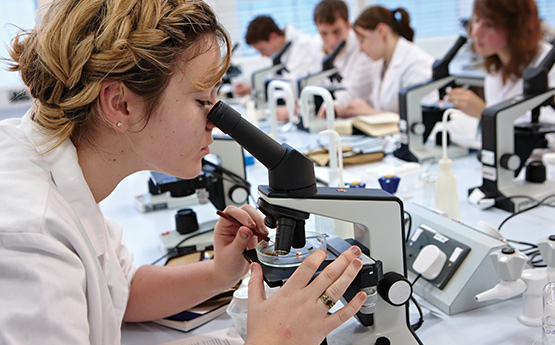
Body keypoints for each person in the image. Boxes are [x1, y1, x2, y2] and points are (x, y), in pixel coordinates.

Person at [0, 1, 366, 344]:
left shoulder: (63, 171)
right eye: (202, 101)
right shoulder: (30, 235)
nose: (215, 123)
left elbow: (119, 290)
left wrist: (219, 274)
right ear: (120, 104)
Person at [447, 0, 555, 124]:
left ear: (515, 28)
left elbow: (548, 135)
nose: (475, 33)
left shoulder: (549, 67)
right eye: (476, 20)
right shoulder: (495, 70)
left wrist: (485, 113)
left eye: (489, 25)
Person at [334, 6, 435, 118]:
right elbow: (356, 90)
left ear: (381, 31)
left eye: (362, 40)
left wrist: (371, 113)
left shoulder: (416, 64)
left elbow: (422, 119)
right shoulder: (380, 62)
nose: (360, 49)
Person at [312, 0, 377, 108]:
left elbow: (354, 92)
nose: (331, 41)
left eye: (336, 32)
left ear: (348, 25)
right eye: (324, 33)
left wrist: (326, 109)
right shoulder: (315, 45)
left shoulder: (362, 48)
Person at [233, 15, 317, 99]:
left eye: (262, 49)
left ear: (273, 37)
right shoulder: (281, 51)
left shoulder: (302, 44)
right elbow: (273, 79)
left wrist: (259, 90)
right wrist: (251, 88)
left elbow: (292, 86)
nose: (262, 55)